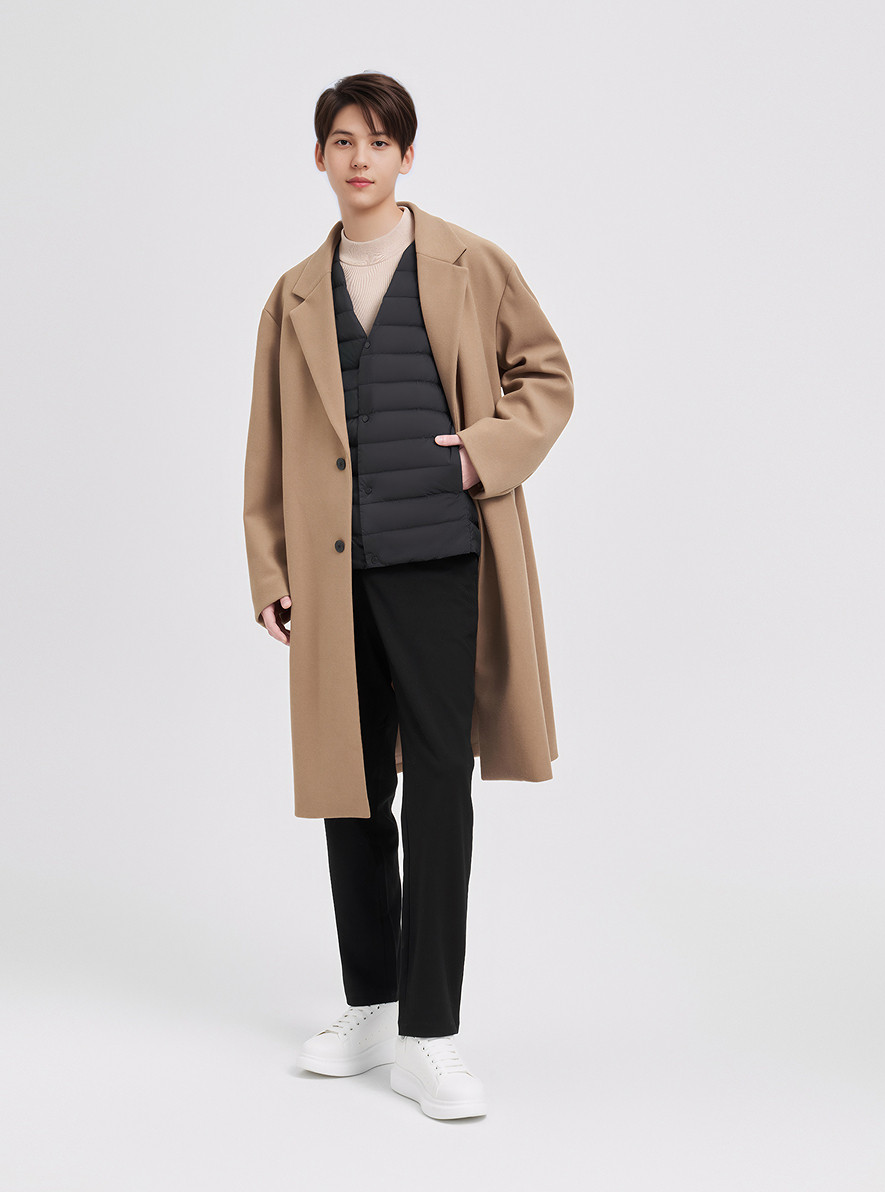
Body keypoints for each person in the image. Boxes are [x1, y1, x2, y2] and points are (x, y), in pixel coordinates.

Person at [243, 72, 574, 1120]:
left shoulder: (472, 263)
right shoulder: (294, 294)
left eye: (379, 142)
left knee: (436, 784)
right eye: (343, 141)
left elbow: (546, 377)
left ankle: (431, 1032)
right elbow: (266, 445)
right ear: (320, 157)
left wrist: (482, 454)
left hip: (438, 558)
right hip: (333, 572)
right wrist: (270, 567)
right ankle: (373, 1005)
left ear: (407, 157)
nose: (360, 159)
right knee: (349, 789)